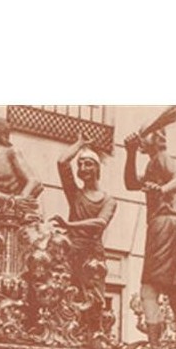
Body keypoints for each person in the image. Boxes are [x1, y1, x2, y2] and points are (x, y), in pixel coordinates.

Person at [123, 126, 176, 349]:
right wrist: (130, 153)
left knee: (148, 291)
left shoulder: (161, 158)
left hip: (163, 225)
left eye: (145, 134)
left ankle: (154, 347)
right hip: (175, 226)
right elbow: (131, 183)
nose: (140, 137)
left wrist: (162, 190)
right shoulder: (153, 164)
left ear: (156, 138)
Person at [51, 134, 117, 332]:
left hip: (93, 256)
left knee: (94, 300)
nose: (83, 168)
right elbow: (62, 162)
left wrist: (70, 224)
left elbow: (100, 223)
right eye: (80, 165)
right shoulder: (75, 194)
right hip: (72, 253)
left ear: (97, 168)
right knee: (67, 297)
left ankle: (94, 336)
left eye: (88, 164)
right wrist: (79, 144)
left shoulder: (109, 200)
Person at [0, 116, 43, 216]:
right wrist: (12, 200)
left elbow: (34, 181)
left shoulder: (11, 153)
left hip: (22, 215)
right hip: (2, 215)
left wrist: (21, 200)